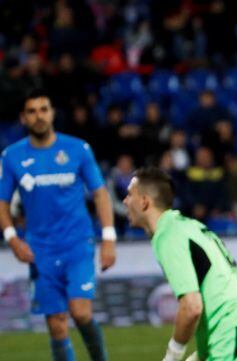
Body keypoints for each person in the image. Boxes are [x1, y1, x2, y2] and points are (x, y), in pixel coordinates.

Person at [0, 89, 116, 361]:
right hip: (40, 249)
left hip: (77, 244)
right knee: (56, 325)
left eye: (43, 109)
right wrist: (13, 239)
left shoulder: (78, 149)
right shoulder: (12, 156)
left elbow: (100, 193)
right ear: (23, 118)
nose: (38, 116)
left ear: (52, 113)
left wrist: (109, 238)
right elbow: (2, 203)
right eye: (32, 111)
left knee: (80, 311)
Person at [122, 167, 237, 361]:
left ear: (145, 201)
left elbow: (192, 307)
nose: (125, 201)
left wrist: (172, 355)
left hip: (230, 339)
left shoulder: (168, 235)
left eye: (130, 195)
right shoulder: (189, 226)